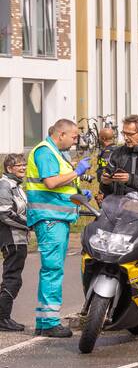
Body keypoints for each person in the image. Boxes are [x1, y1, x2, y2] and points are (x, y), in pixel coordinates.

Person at [25, 119, 91, 338]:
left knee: (52, 269)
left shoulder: (56, 153)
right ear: (61, 134)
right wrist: (77, 172)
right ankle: (49, 323)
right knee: (53, 269)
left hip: (55, 218)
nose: (75, 141)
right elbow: (51, 183)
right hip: (50, 218)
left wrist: (78, 194)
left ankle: (45, 321)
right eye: (73, 137)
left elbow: (59, 187)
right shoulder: (45, 151)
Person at [0, 154, 29, 331]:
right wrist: (29, 223)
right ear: (9, 168)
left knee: (13, 278)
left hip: (19, 238)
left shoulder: (16, 186)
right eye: (19, 165)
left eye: (24, 164)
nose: (23, 168)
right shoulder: (5, 185)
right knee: (12, 278)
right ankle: (3, 318)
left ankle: (3, 316)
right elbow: (4, 213)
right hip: (12, 239)